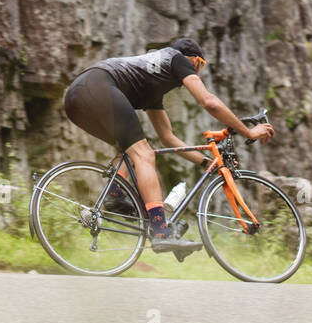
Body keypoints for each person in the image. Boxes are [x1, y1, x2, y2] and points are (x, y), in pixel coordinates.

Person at [63, 38, 275, 255]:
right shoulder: (176, 59)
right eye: (201, 65)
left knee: (132, 149)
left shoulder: (152, 80)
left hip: (76, 97)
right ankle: (161, 232)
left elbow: (168, 137)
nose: (199, 72)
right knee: (144, 154)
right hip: (97, 87)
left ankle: (115, 196)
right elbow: (209, 102)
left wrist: (207, 163)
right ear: (194, 60)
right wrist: (248, 132)